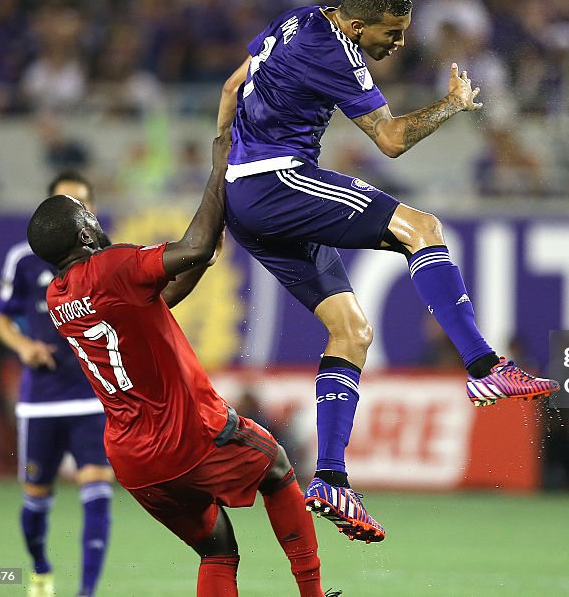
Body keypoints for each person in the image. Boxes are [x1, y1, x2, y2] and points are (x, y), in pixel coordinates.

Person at [216, 0, 560, 542]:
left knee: (351, 331)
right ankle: (484, 367)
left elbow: (231, 88)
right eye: (392, 33)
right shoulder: (339, 51)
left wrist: (218, 176)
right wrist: (452, 105)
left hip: (245, 192)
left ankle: (328, 478)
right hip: (277, 182)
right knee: (420, 227)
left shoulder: (296, 19)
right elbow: (392, 139)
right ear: (356, 25)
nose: (399, 44)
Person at [25, 132, 337, 597]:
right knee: (277, 466)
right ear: (85, 232)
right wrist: (218, 173)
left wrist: (206, 256)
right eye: (87, 213)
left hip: (134, 459)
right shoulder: (112, 266)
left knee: (218, 551)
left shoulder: (58, 297)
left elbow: (161, 297)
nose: (95, 216)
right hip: (189, 434)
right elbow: (191, 245)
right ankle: (313, 595)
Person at [0, 172, 112, 597]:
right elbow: (1, 320)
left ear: (92, 211)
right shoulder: (23, 260)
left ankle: (86, 592)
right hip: (41, 399)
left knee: (98, 489)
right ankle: (41, 567)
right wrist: (24, 347)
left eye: (82, 203)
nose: (75, 211)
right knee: (35, 499)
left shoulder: (107, 259)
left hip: (92, 396)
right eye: (65, 203)